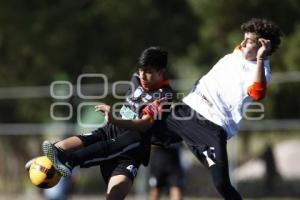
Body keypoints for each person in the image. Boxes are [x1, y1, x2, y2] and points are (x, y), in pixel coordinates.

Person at [36, 18, 282, 199]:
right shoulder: (237, 53)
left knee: (221, 184)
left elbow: (258, 94)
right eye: (245, 39)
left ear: (264, 46)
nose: (243, 43)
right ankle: (68, 159)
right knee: (131, 131)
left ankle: (77, 159)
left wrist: (261, 56)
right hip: (186, 112)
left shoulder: (260, 69)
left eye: (250, 42)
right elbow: (243, 47)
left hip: (211, 127)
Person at [36, 46, 182, 200]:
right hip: (113, 128)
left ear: (161, 72)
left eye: (149, 71)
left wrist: (114, 119)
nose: (143, 75)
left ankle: (70, 162)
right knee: (91, 137)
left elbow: (144, 124)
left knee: (110, 155)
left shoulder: (164, 96)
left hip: (132, 145)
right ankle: (51, 156)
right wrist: (114, 121)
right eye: (140, 70)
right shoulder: (136, 79)